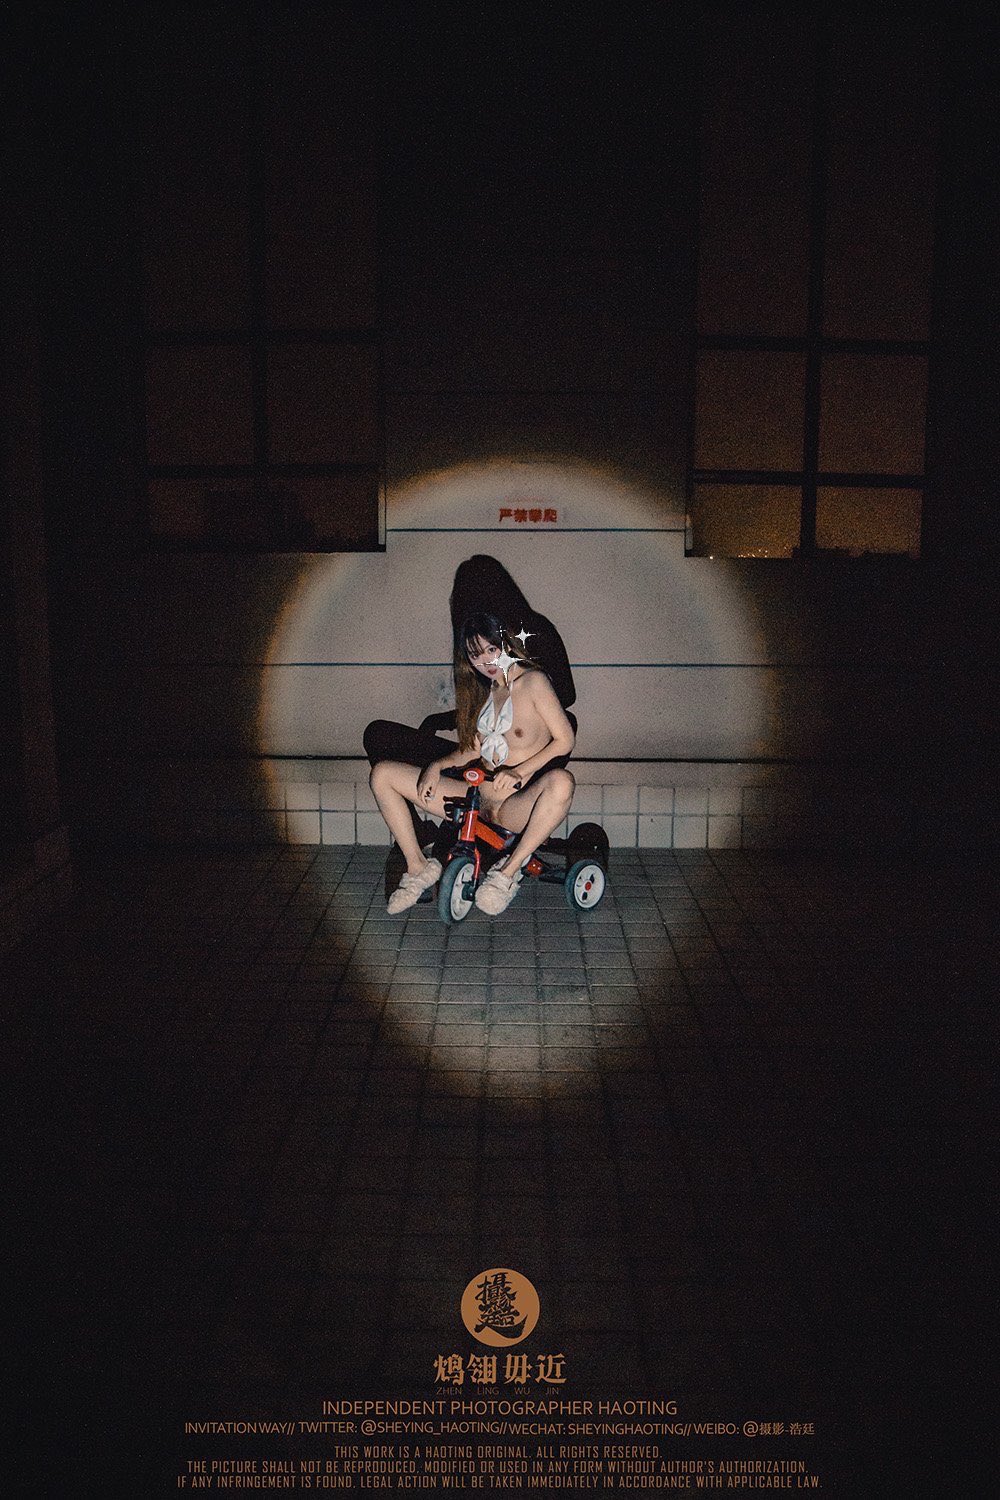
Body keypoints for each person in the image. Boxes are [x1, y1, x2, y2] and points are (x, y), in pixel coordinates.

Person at [369, 612, 576, 916]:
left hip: (513, 807)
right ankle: (418, 867)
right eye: (475, 655)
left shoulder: (533, 682)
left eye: (491, 650)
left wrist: (520, 771)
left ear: (506, 643)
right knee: (383, 775)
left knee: (562, 782)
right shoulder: (488, 690)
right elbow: (472, 750)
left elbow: (565, 740)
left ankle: (507, 873)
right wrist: (436, 766)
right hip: (475, 798)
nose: (485, 662)